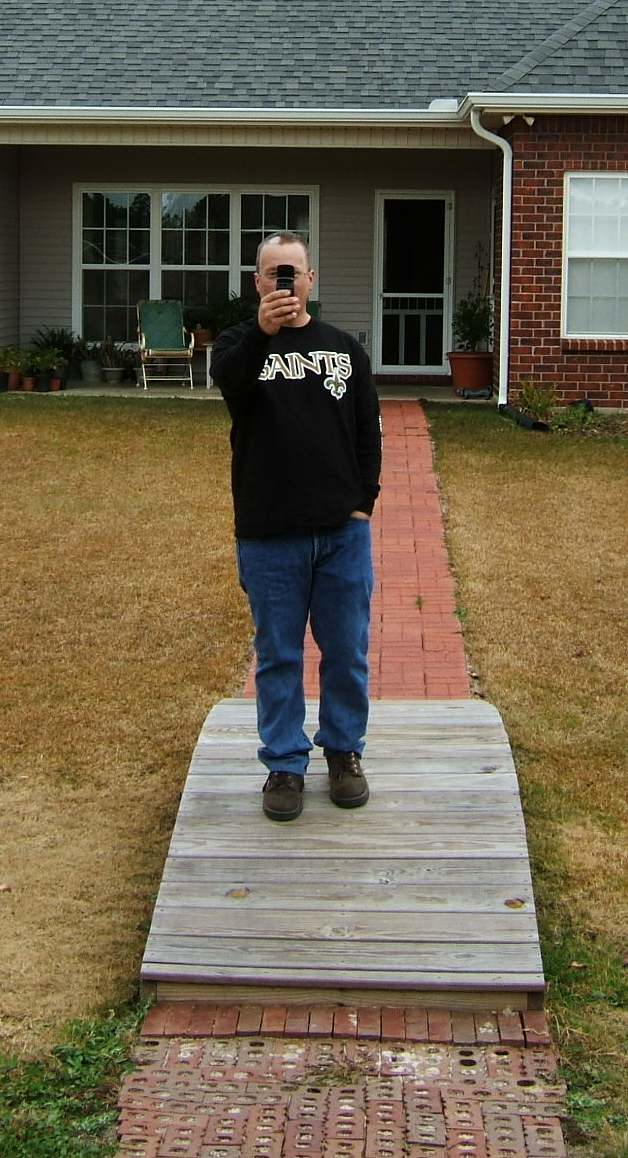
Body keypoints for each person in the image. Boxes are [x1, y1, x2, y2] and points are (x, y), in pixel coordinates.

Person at [208, 231, 382, 822]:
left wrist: (364, 502)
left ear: (311, 280)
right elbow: (231, 384)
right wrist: (263, 333)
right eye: (272, 272)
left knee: (347, 651)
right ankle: (284, 764)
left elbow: (368, 429)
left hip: (341, 533)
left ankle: (343, 753)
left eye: (293, 271)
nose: (284, 281)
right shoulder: (237, 345)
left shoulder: (344, 349)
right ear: (257, 281)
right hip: (269, 531)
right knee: (278, 654)